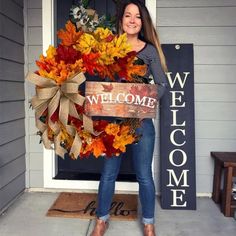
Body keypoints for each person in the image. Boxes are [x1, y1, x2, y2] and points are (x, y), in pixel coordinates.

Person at [91, 1, 168, 235]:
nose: (132, 20)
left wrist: (146, 101)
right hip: (113, 121)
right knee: (108, 173)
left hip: (140, 121)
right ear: (121, 20)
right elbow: (99, 81)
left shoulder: (149, 51)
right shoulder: (109, 48)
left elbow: (162, 84)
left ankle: (148, 222)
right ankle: (101, 220)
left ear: (142, 22)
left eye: (137, 16)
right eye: (128, 15)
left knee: (144, 174)